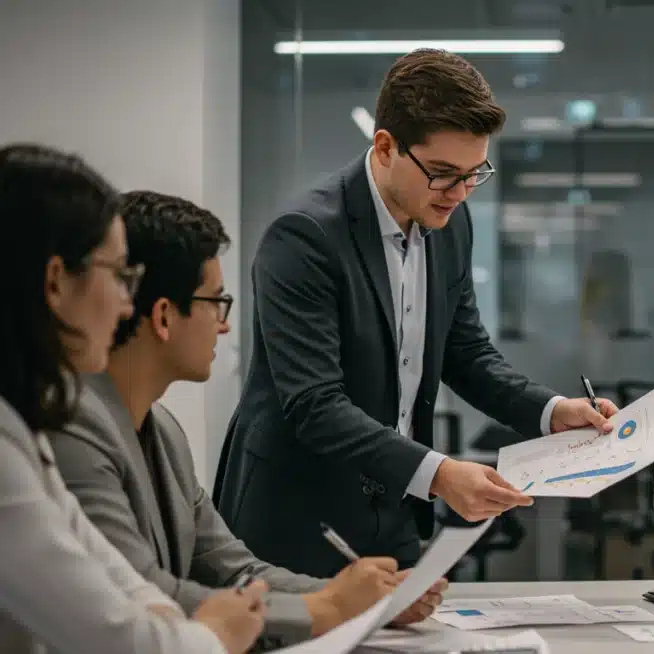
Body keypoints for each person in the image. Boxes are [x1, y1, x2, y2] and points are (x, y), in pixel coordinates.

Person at [214, 48, 619, 576]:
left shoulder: (449, 221)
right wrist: (440, 474)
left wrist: (551, 411)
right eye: (444, 174)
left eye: (475, 174)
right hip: (297, 523)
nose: (460, 193)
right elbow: (314, 403)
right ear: (385, 147)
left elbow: (465, 352)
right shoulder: (306, 236)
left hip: (393, 516)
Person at [48, 191, 447, 650]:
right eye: (216, 302)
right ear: (163, 316)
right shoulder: (73, 429)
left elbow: (236, 570)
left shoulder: (163, 430)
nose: (223, 325)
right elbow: (146, 595)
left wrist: (368, 597)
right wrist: (329, 607)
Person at [0, 143, 264, 653]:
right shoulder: (49, 429)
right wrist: (214, 634)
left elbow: (120, 584)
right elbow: (111, 634)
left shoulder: (24, 425)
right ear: (56, 280)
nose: (127, 305)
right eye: (120, 278)